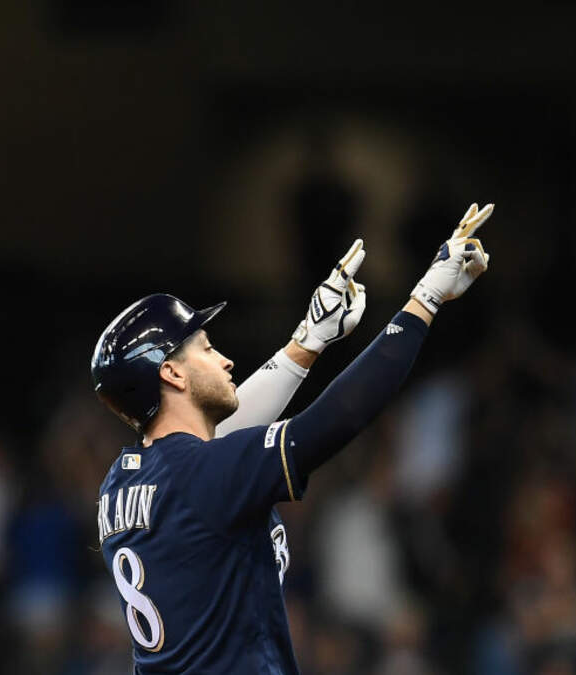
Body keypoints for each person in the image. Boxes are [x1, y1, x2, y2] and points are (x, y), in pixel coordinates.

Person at [89, 203, 494, 673]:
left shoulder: (121, 480)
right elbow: (340, 416)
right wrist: (426, 298)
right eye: (207, 348)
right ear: (172, 373)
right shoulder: (206, 472)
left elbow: (213, 441)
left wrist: (308, 341)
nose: (225, 361)